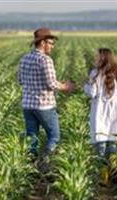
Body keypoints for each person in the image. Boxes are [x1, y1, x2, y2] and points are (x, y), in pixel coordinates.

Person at [18, 27, 75, 158]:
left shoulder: (24, 58)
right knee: (54, 136)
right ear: (43, 43)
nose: (52, 46)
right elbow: (52, 84)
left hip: (27, 105)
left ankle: (30, 165)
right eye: (51, 43)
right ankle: (45, 161)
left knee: (32, 138)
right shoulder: (45, 60)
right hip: (44, 105)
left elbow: (20, 80)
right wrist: (66, 86)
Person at [84, 48, 117, 186]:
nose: (95, 58)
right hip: (115, 112)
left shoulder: (96, 73)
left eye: (97, 57)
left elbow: (92, 93)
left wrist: (85, 85)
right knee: (112, 143)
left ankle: (104, 178)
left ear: (102, 58)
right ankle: (114, 170)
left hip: (100, 112)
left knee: (100, 145)